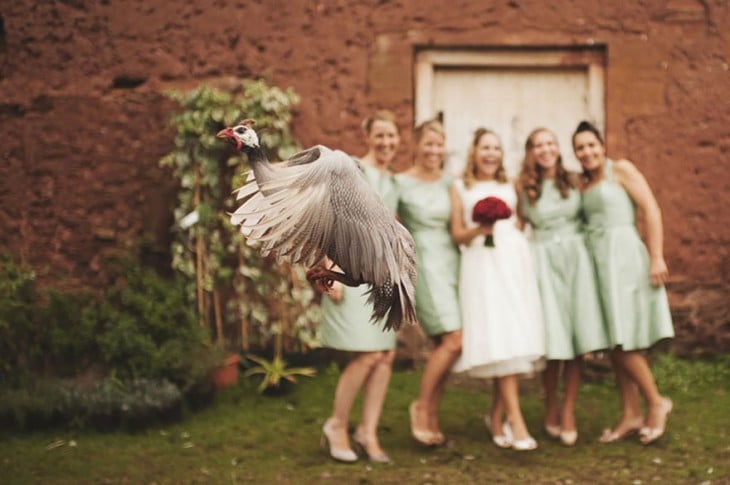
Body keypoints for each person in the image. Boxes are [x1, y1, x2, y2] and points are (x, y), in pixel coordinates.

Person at [572, 120, 674, 445]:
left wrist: (656, 256)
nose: (587, 152)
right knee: (615, 342)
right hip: (599, 264)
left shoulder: (622, 170)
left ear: (602, 145)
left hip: (625, 258)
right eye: (580, 148)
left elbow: (651, 210)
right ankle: (631, 413)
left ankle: (657, 403)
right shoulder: (584, 184)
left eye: (591, 145)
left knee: (627, 342)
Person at [450, 127, 544, 451]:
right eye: (485, 148)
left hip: (513, 263)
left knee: (511, 336)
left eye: (496, 148)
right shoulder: (460, 187)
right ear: (474, 152)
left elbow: (518, 223)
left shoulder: (510, 185)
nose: (491, 154)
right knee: (498, 336)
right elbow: (457, 234)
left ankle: (495, 415)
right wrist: (481, 228)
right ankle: (516, 422)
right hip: (482, 266)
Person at [317, 110, 401, 463]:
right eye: (379, 135)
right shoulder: (351, 168)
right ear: (367, 136)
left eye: (392, 136)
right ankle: (336, 424)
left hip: (381, 275)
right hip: (349, 269)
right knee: (366, 355)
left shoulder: (394, 181)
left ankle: (367, 430)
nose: (386, 142)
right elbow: (327, 216)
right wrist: (329, 266)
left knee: (384, 355)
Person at [517, 127, 609, 446]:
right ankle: (550, 408)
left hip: (577, 261)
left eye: (551, 143)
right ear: (531, 151)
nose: (546, 149)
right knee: (553, 341)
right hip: (543, 262)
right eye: (539, 144)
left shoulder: (575, 180)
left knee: (575, 343)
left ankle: (568, 412)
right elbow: (515, 228)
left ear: (558, 149)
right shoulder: (524, 188)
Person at [393, 120, 462, 446]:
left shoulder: (450, 183)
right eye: (429, 144)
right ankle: (420, 406)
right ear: (416, 145)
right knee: (453, 341)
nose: (434, 150)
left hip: (452, 264)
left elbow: (459, 226)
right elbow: (386, 224)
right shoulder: (400, 183)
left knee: (443, 345)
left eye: (439, 144)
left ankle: (432, 414)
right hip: (425, 265)